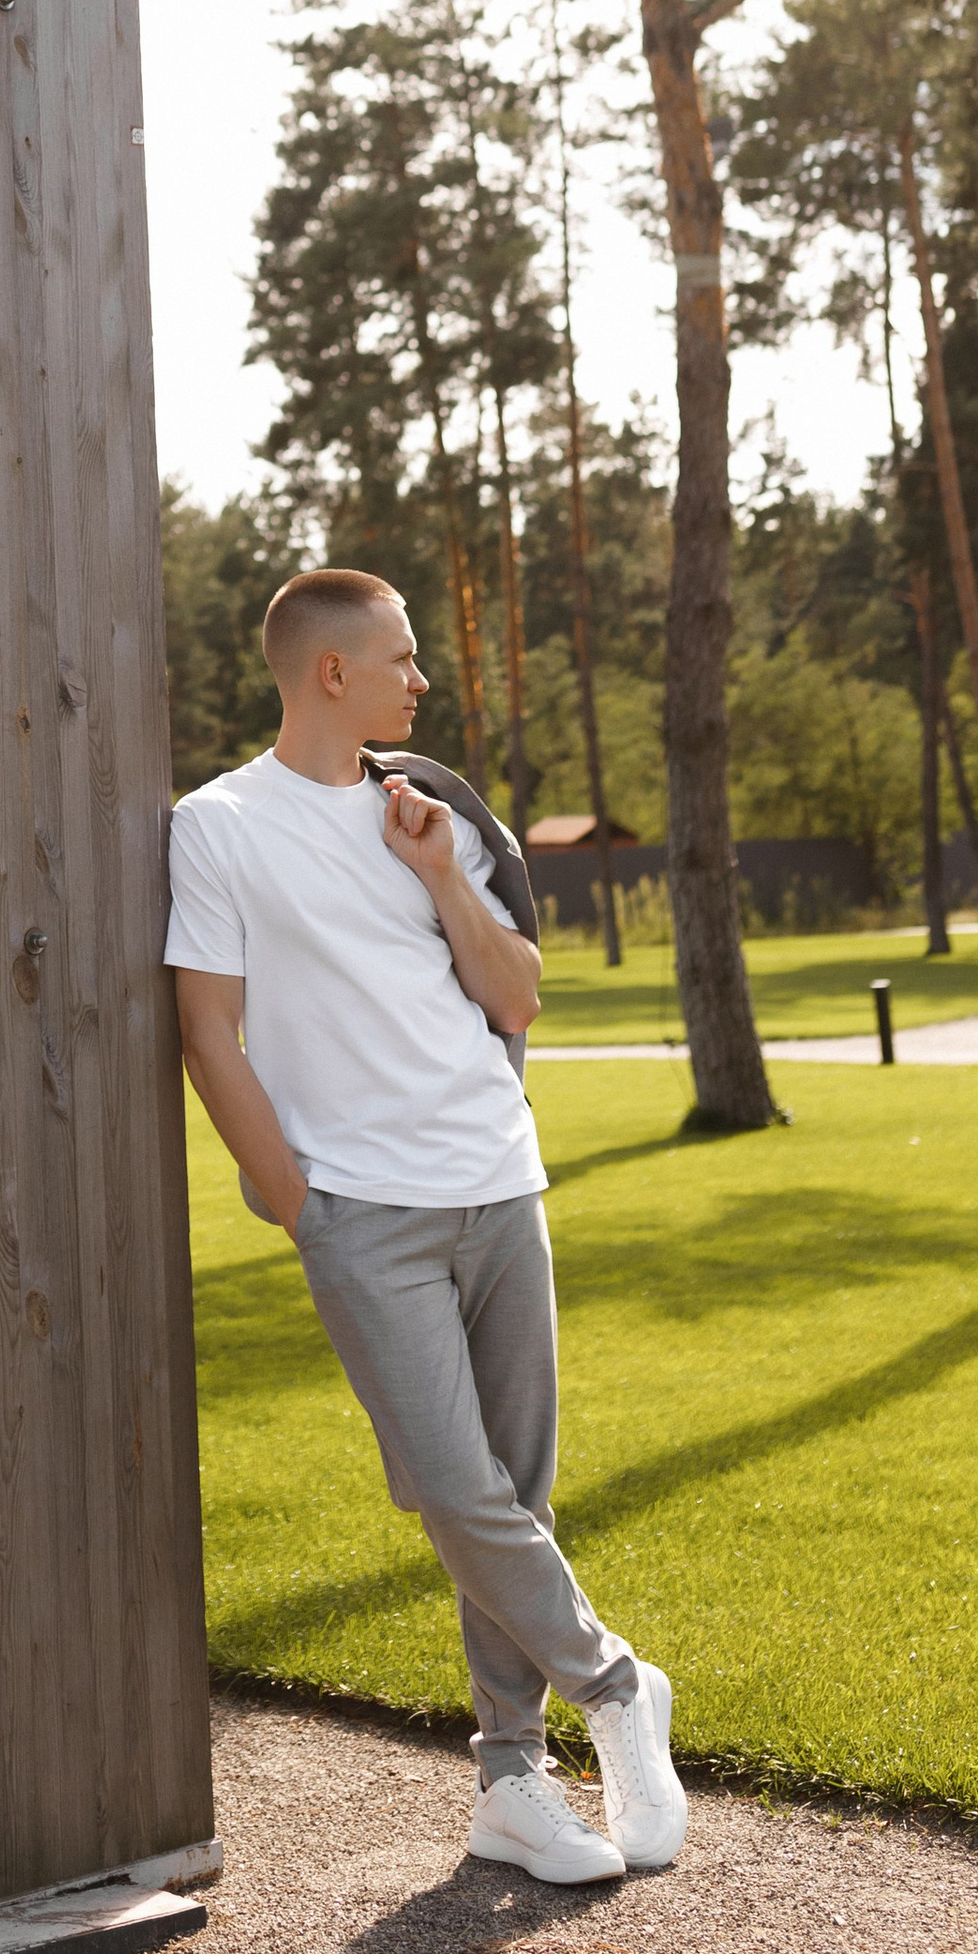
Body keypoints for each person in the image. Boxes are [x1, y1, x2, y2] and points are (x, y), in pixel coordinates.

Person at [165, 566, 687, 1887]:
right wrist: (293, 1196)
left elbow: (518, 1000)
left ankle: (513, 1780)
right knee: (452, 1489)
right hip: (362, 1215)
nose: (421, 682)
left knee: (517, 1489)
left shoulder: (436, 807)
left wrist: (441, 874)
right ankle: (618, 1686)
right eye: (402, 659)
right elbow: (207, 1029)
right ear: (331, 672)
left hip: (499, 1182)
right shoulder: (218, 827)